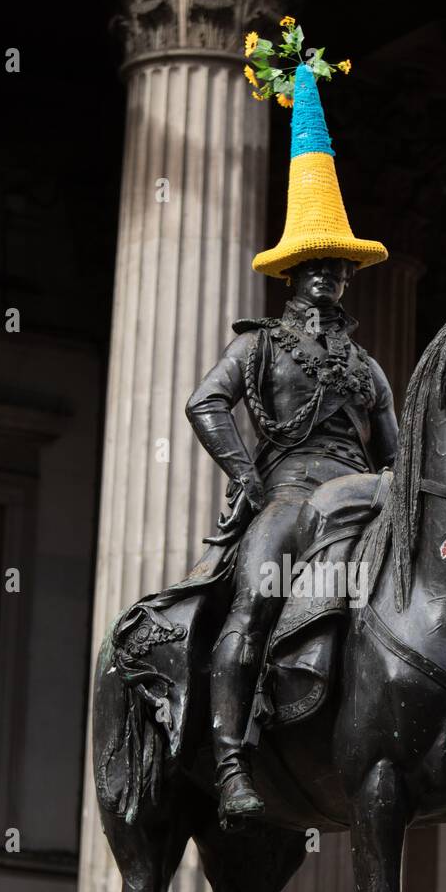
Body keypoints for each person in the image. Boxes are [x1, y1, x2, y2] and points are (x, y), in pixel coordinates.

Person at [186, 60, 398, 827]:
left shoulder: (368, 366)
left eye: (339, 271)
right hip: (286, 493)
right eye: (318, 270)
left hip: (360, 496)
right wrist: (243, 474)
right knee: (255, 598)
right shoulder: (260, 348)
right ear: (292, 277)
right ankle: (233, 757)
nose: (331, 282)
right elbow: (204, 401)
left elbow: (395, 455)